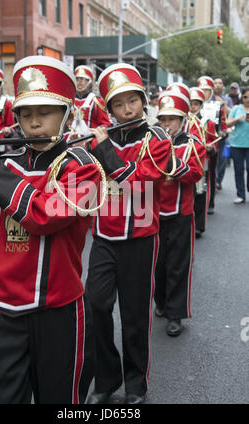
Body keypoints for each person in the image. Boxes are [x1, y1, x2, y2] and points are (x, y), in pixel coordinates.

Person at [0, 55, 103, 404]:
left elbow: (44, 216)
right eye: (25, 113)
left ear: (66, 114)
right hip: (3, 312)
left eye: (44, 112)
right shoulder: (5, 164)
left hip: (59, 313)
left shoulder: (83, 167)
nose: (34, 122)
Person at [84, 63, 177, 404]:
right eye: (118, 105)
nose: (126, 110)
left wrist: (104, 150)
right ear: (109, 109)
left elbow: (138, 183)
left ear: (142, 101)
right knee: (95, 305)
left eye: (132, 102)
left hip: (140, 237)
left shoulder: (158, 139)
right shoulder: (98, 139)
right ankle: (106, 380)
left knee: (135, 315)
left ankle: (136, 385)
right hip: (105, 236)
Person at [154, 90, 206, 337]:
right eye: (162, 119)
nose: (166, 124)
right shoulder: (150, 141)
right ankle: (161, 301)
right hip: (152, 213)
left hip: (180, 214)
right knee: (157, 264)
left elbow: (196, 173)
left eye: (171, 119)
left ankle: (175, 314)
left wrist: (170, 163)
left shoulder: (193, 144)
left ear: (182, 120)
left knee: (178, 265)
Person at [189, 87, 217, 238]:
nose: (193, 107)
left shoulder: (207, 122)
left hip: (202, 161)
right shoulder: (182, 121)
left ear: (201, 105)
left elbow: (213, 143)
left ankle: (199, 226)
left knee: (201, 193)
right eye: (190, 103)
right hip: (186, 161)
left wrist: (210, 148)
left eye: (196, 103)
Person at [197, 76, 227, 214]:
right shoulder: (193, 106)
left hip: (212, 145)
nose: (204, 94)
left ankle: (210, 203)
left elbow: (223, 126)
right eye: (201, 90)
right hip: (196, 146)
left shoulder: (217, 106)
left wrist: (221, 132)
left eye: (206, 90)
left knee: (210, 175)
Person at [72, 65, 111, 136]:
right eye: (77, 79)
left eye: (83, 79)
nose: (79, 81)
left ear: (90, 83)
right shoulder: (69, 101)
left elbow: (105, 125)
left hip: (91, 141)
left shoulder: (97, 101)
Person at [227, 87, 249, 204]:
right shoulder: (236, 108)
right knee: (238, 170)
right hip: (237, 144)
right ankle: (240, 194)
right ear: (242, 97)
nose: (247, 99)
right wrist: (238, 118)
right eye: (245, 96)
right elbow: (227, 122)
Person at [212, 77, 232, 191]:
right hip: (210, 133)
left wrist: (222, 103)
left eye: (220, 83)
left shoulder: (227, 100)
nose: (218, 85)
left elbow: (231, 113)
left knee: (223, 158)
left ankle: (218, 181)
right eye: (215, 83)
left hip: (223, 133)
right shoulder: (208, 98)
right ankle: (210, 180)